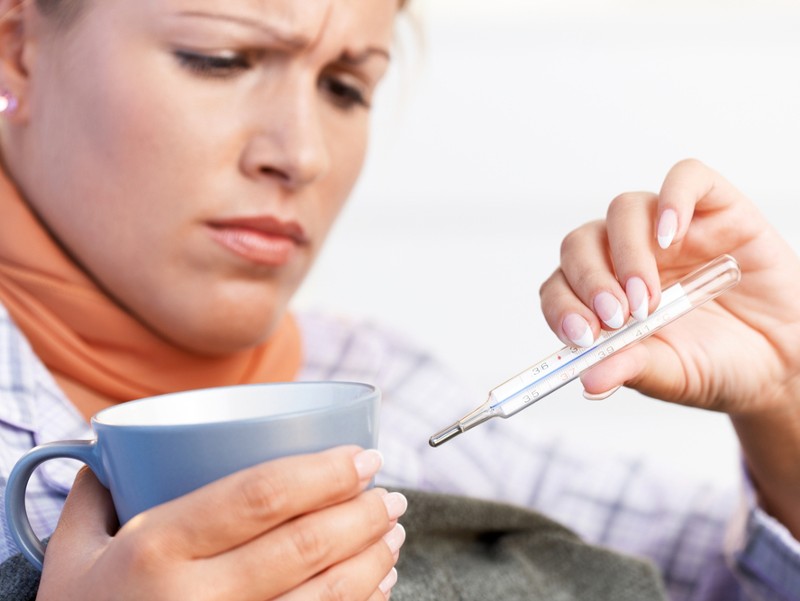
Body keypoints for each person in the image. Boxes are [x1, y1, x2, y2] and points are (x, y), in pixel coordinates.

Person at [0, 0, 797, 599]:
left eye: (346, 87)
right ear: (17, 53)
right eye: (220, 59)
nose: (302, 154)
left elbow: (728, 578)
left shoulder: (390, 387)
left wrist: (785, 398)